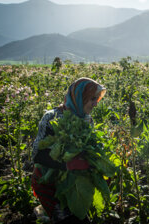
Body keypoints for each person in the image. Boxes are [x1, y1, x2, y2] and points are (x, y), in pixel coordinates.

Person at [31, 77, 106, 223]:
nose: (96, 103)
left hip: (73, 183)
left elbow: (86, 149)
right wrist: (67, 164)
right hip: (47, 181)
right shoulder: (51, 117)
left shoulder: (87, 119)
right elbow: (36, 155)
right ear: (80, 97)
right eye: (92, 99)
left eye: (97, 99)